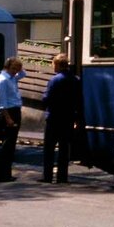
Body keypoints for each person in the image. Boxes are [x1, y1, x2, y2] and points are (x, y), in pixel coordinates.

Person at [41, 53, 82, 184]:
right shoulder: (75, 79)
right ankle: (62, 176)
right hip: (68, 117)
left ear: (57, 65)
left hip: (54, 117)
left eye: (53, 64)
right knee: (64, 148)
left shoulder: (55, 80)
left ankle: (47, 176)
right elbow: (78, 100)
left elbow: (47, 98)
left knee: (49, 148)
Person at [0, 56, 26, 183]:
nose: (15, 72)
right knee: (7, 144)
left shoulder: (12, 78)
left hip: (15, 111)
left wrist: (19, 68)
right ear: (6, 67)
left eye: (16, 69)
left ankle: (7, 173)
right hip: (9, 112)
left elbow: (23, 73)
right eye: (13, 68)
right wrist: (8, 118)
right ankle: (1, 174)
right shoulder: (3, 80)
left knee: (11, 145)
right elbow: (1, 102)